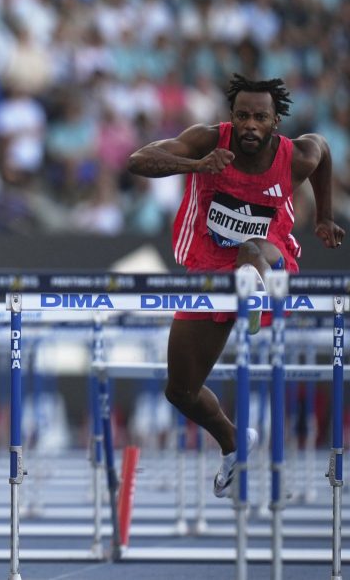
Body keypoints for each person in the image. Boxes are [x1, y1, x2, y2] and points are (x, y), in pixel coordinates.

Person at [127, 74, 344, 497]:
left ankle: (255, 296)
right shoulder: (209, 141)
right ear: (232, 116)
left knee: (251, 249)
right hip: (210, 268)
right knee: (181, 391)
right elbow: (138, 160)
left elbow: (324, 151)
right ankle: (233, 443)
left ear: (275, 121)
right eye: (242, 115)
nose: (250, 125)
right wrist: (196, 166)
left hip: (271, 255)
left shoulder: (295, 155)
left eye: (260, 117)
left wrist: (323, 216)